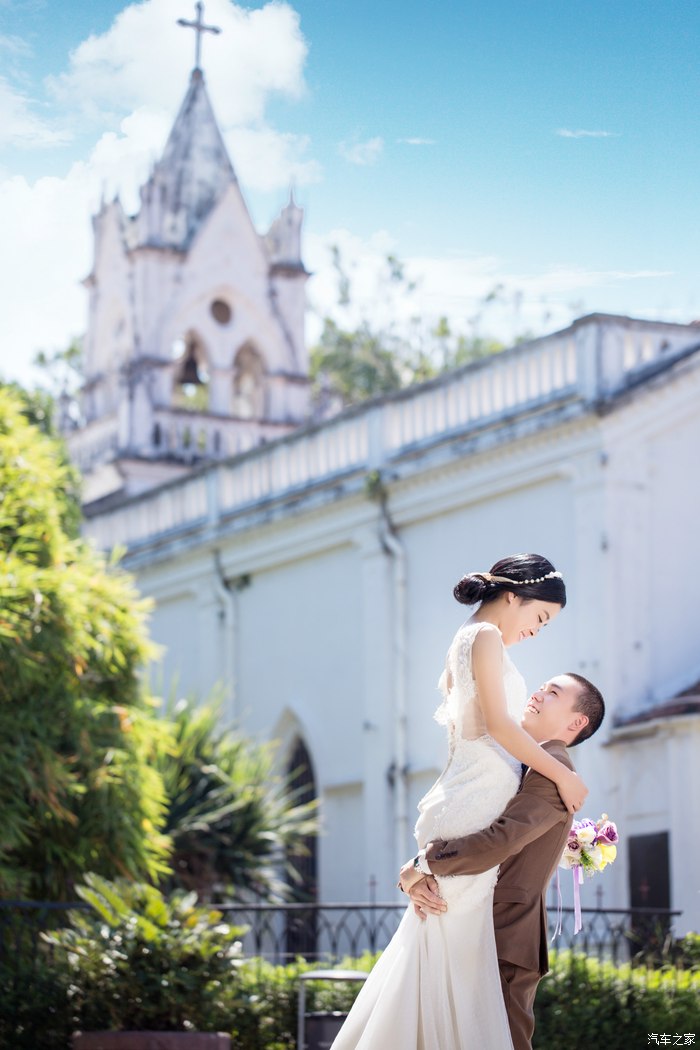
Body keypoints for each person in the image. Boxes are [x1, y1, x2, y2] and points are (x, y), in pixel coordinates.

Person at [329, 553, 588, 1050]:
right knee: (461, 973)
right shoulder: (485, 636)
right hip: (476, 798)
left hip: (468, 794)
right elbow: (499, 726)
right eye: (539, 617)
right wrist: (563, 775)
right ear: (513, 596)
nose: (537, 631)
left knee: (442, 961)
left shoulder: (470, 637)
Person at [399, 671, 605, 1050]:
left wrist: (422, 864)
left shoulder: (554, 773)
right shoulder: (521, 762)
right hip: (470, 924)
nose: (538, 694)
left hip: (505, 936)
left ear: (577, 722)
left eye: (553, 692)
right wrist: (420, 877)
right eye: (541, 687)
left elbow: (499, 841)